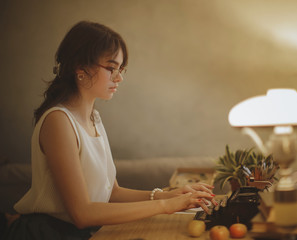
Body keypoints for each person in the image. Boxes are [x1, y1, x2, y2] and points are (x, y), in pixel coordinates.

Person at [4, 21, 216, 240]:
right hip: (50, 234)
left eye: (121, 69)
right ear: (80, 66)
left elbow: (112, 193)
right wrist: (166, 204)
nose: (119, 77)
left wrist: (166, 194)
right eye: (111, 68)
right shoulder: (58, 121)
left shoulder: (93, 117)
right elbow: (82, 213)